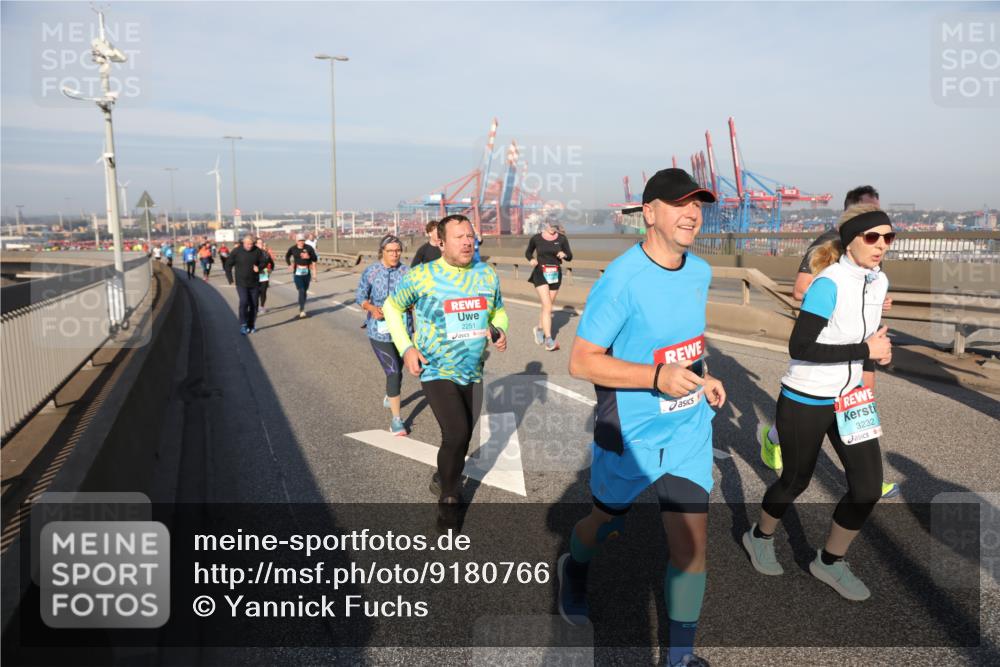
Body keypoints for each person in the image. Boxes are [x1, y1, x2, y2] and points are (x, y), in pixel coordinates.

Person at [558, 169, 725, 667]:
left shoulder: (700, 272)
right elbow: (581, 361)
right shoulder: (621, 281)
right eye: (679, 204)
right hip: (631, 436)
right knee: (602, 524)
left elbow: (686, 343)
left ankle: (679, 659)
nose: (692, 214)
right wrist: (655, 377)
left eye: (698, 204)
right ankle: (575, 569)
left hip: (688, 430)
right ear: (648, 213)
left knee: (692, 549)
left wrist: (703, 376)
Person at [742, 204, 893, 602]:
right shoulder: (829, 283)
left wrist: (874, 356)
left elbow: (866, 336)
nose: (881, 245)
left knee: (868, 488)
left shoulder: (879, 281)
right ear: (851, 241)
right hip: (806, 398)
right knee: (796, 480)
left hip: (850, 399)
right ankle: (759, 535)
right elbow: (801, 347)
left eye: (888, 237)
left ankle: (829, 561)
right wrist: (865, 349)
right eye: (872, 237)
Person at [759, 185, 898, 498]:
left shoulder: (874, 257)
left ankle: (866, 479)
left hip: (858, 352)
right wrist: (832, 298)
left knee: (864, 393)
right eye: (868, 212)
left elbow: (866, 294)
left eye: (887, 235)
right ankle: (775, 437)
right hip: (821, 364)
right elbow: (800, 290)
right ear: (851, 214)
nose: (881, 237)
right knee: (797, 479)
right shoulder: (828, 247)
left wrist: (873, 304)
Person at [382, 214, 508, 510]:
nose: (467, 242)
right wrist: (407, 348)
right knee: (456, 432)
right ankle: (449, 502)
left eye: (470, 236)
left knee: (462, 438)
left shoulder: (486, 274)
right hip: (436, 368)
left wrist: (499, 330)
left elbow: (498, 312)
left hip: (473, 370)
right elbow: (391, 307)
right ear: (441, 243)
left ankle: (443, 476)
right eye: (459, 237)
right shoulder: (422, 276)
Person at [356, 235, 411, 436]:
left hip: (403, 330)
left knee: (398, 371)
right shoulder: (371, 271)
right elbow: (360, 296)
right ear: (382, 252)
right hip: (379, 331)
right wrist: (371, 308)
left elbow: (416, 296)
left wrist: (412, 305)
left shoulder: (407, 272)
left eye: (398, 251)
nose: (395, 254)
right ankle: (396, 421)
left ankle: (391, 394)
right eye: (390, 251)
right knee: (393, 372)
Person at [525, 221, 573, 351]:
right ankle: (549, 340)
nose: (553, 228)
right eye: (550, 225)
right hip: (540, 273)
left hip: (555, 275)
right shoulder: (536, 238)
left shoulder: (562, 239)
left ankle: (539, 329)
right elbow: (528, 252)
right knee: (548, 306)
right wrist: (531, 259)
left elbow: (570, 256)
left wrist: (564, 255)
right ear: (545, 224)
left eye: (554, 226)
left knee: (547, 306)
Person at [224, 234, 269, 335]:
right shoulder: (236, 251)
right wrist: (230, 279)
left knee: (254, 304)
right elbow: (228, 265)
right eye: (248, 244)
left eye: (251, 244)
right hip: (241, 283)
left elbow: (265, 261)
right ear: (243, 243)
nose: (250, 246)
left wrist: (259, 267)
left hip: (254, 282)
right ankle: (243, 324)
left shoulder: (257, 251)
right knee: (244, 302)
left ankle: (251, 324)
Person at [285, 233, 319, 318]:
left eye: (303, 240)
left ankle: (302, 305)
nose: (301, 242)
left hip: (306, 272)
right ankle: (302, 310)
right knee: (301, 290)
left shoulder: (309, 248)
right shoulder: (293, 248)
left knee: (305, 291)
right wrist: (289, 265)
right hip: (297, 273)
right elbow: (287, 256)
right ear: (296, 241)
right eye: (299, 240)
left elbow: (315, 259)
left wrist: (309, 257)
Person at [255, 238, 275, 314]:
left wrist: (270, 270)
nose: (261, 244)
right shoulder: (252, 253)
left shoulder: (265, 253)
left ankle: (262, 307)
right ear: (256, 244)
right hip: (254, 274)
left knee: (263, 291)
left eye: (262, 243)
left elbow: (272, 263)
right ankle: (255, 306)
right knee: (256, 291)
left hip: (263, 273)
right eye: (259, 243)